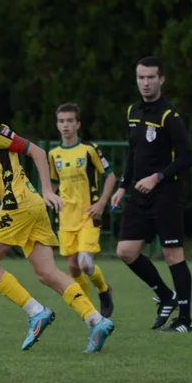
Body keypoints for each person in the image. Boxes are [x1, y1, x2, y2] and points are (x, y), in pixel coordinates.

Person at [0, 81, 115, 353]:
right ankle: (95, 319)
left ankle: (36, 312)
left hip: (19, 204)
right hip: (25, 207)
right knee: (46, 273)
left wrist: (46, 189)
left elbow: (37, 152)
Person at [109, 56, 192, 332]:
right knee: (125, 251)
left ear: (161, 79)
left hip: (167, 193)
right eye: (141, 78)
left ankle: (185, 319)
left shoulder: (170, 116)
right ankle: (165, 294)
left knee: (173, 254)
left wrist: (157, 177)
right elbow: (133, 152)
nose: (145, 83)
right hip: (139, 193)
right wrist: (122, 186)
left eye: (150, 77)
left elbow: (187, 157)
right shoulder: (133, 111)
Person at [47, 103, 116, 318]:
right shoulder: (53, 154)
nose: (65, 125)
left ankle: (103, 290)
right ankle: (91, 312)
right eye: (61, 121)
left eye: (69, 121)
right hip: (66, 218)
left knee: (85, 264)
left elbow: (111, 176)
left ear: (78, 124)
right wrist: (47, 199)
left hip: (88, 215)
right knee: (73, 268)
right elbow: (53, 185)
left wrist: (101, 203)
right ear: (57, 125)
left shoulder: (89, 149)